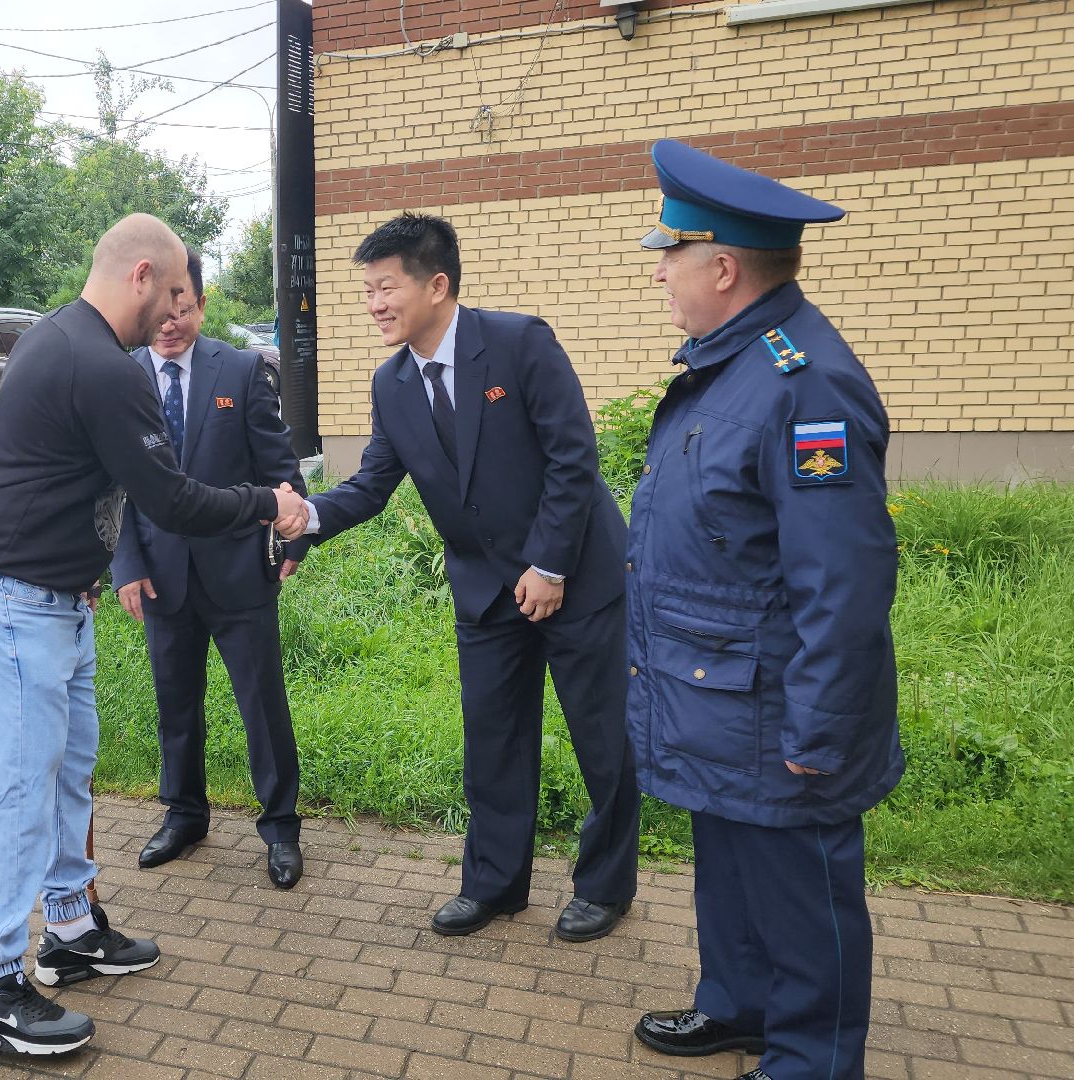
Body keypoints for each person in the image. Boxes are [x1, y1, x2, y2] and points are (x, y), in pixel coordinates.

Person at [0, 213, 309, 1055]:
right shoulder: (102, 364)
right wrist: (267, 503)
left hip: (51, 595)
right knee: (21, 790)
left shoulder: (54, 337)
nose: (178, 309)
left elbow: (50, 471)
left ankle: (68, 927)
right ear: (142, 275)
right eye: (174, 289)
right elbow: (171, 499)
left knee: (69, 769)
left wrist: (85, 564)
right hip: (9, 597)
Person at [625, 140, 902, 1080]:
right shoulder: (732, 362)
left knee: (799, 890)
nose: (660, 271)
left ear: (724, 266)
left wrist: (820, 725)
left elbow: (845, 578)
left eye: (671, 253)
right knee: (732, 869)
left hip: (777, 707)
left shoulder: (803, 384)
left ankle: (813, 1059)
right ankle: (737, 1006)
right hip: (719, 697)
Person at [300, 213, 640, 943]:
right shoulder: (392, 383)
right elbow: (372, 484)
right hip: (484, 591)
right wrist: (306, 518)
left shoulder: (520, 343)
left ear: (438, 284)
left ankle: (606, 886)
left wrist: (548, 563)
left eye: (385, 287)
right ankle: (494, 885)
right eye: (367, 291)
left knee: (602, 740)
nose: (375, 304)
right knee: (494, 741)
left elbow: (573, 458)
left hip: (575, 574)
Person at [111, 246, 309, 890]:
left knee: (261, 702)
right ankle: (184, 813)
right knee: (175, 702)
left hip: (237, 572)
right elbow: (114, 486)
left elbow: (276, 464)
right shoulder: (123, 374)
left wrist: (294, 538)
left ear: (200, 302)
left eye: (185, 308)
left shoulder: (243, 369)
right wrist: (127, 563)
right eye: (163, 310)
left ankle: (280, 826)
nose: (171, 323)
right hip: (162, 575)